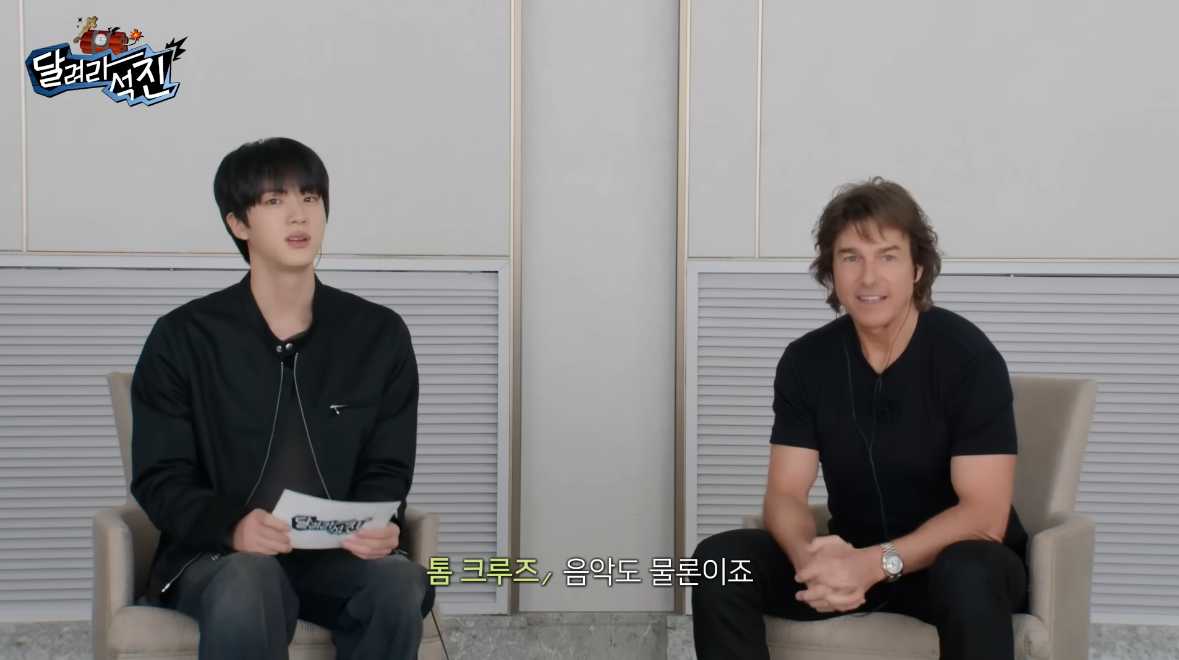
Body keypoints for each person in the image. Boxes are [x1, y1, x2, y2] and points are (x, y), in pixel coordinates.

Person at [691, 177, 1029, 660]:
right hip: (852, 559)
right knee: (719, 561)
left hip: (954, 567)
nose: (868, 278)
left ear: (917, 267)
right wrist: (811, 560)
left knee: (968, 570)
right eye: (851, 257)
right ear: (832, 269)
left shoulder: (968, 359)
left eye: (887, 256)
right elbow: (785, 493)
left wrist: (875, 564)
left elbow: (985, 518)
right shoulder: (805, 362)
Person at [129, 137, 434, 660]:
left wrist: (378, 525)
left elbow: (387, 466)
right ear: (238, 223)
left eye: (310, 198)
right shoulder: (183, 336)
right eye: (274, 200)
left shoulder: (378, 334)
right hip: (219, 558)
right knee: (250, 579)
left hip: (333, 557)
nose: (299, 214)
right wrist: (232, 525)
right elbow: (160, 477)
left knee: (397, 582)